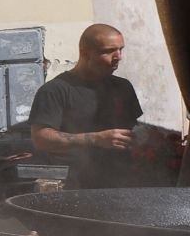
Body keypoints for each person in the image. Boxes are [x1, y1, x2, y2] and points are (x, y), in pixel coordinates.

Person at [28, 24, 143, 189]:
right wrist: (96, 139)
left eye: (120, 49)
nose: (118, 57)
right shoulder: (55, 90)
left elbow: (133, 130)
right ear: (85, 53)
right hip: (73, 186)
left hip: (119, 184)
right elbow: (41, 138)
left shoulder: (123, 87)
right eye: (109, 51)